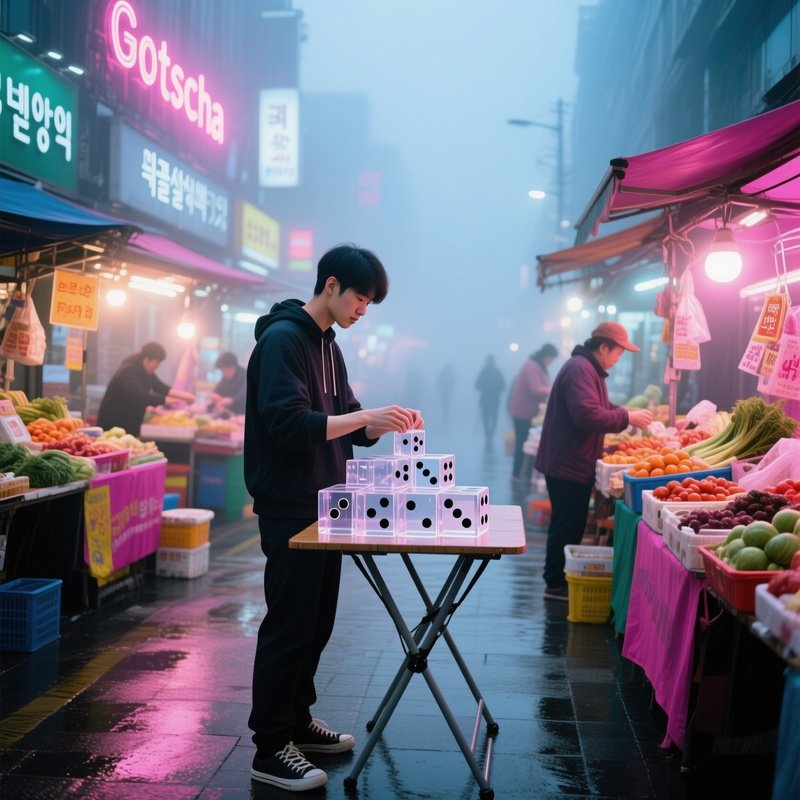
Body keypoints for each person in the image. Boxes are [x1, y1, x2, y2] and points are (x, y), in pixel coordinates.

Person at [244, 243, 424, 792]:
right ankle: (270, 746)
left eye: (369, 303)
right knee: (289, 624)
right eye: (360, 299)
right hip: (290, 503)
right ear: (330, 285)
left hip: (327, 503)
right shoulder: (282, 340)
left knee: (316, 623)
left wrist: (382, 422)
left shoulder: (329, 346)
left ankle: (297, 721)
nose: (362, 311)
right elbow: (289, 424)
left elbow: (343, 418)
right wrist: (362, 416)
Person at [535, 322, 653, 601]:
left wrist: (624, 412)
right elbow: (587, 415)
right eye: (618, 353)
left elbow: (599, 407)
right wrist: (626, 417)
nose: (618, 359)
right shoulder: (580, 369)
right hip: (567, 464)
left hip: (571, 460)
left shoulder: (586, 368)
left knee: (570, 523)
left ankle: (557, 581)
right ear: (603, 347)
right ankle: (556, 584)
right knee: (567, 525)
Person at [96, 341, 195, 436]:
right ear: (147, 359)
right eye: (157, 362)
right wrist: (166, 400)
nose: (157, 366)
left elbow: (160, 387)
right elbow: (140, 396)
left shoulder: (144, 371)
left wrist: (186, 396)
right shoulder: (128, 370)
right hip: (112, 426)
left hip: (130, 426)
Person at [508, 343, 558, 481]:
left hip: (527, 411)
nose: (551, 362)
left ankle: (524, 474)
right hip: (522, 411)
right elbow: (535, 389)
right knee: (522, 443)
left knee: (525, 443)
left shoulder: (537, 366)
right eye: (551, 359)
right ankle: (517, 474)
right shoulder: (532, 366)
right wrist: (554, 389)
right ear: (546, 356)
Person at [474, 354, 506, 439]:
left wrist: (484, 388)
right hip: (494, 399)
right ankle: (490, 433)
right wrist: (496, 390)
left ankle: (488, 433)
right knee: (493, 417)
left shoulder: (484, 372)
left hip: (486, 399)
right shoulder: (497, 372)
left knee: (486, 417)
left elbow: (477, 385)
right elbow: (503, 386)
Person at [208, 351, 246, 415]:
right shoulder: (226, 377)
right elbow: (216, 390)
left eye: (223, 370)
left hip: (241, 414)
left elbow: (244, 394)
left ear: (231, 367)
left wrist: (231, 400)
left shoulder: (245, 375)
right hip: (227, 414)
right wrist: (214, 395)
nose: (222, 373)